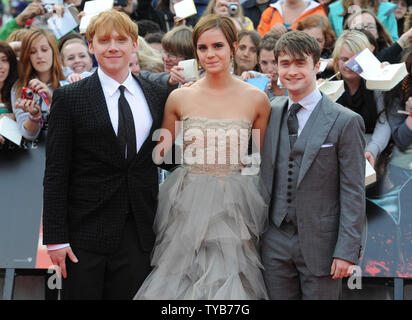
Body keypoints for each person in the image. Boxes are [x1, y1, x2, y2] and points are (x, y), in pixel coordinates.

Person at [134, 14, 271, 299]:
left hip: (234, 204)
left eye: (218, 46)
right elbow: (162, 156)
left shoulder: (257, 99)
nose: (210, 54)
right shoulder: (179, 98)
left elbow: (259, 159)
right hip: (187, 202)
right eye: (203, 48)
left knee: (232, 281)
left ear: (233, 47)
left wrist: (241, 169)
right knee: (181, 281)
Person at [42, 9, 174, 300]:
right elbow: (55, 173)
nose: (112, 46)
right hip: (82, 236)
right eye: (103, 40)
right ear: (91, 46)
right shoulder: (69, 98)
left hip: (139, 234)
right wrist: (55, 239)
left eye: (120, 39)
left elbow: (169, 158)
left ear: (133, 44)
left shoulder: (157, 96)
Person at [260, 30, 365, 299]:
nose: (292, 71)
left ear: (316, 66)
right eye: (285, 64)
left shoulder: (346, 121)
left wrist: (347, 251)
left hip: (324, 245)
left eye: (300, 63)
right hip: (274, 243)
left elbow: (354, 191)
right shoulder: (269, 111)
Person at [332, 30, 391, 167]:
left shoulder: (376, 83)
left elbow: (384, 122)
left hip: (372, 147)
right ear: (336, 60)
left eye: (355, 59)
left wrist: (373, 149)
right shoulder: (330, 86)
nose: (349, 65)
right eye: (344, 59)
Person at [12, 28, 65, 141]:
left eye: (44, 49)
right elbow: (29, 135)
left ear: (53, 51)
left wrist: (51, 100)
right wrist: (34, 115)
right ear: (27, 56)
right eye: (32, 52)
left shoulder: (70, 78)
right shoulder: (20, 87)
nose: (39, 56)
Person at [328, 0, 398, 41]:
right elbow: (330, 42)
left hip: (378, 57)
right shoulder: (335, 9)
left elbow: (392, 41)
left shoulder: (386, 9)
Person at [257, 0, 326, 36]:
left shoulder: (317, 12)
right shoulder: (270, 12)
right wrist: (270, 34)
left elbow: (323, 41)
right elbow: (260, 43)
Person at [0, 41, 19, 145]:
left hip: (14, 156)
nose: (0, 66)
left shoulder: (18, 90)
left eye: (4, 60)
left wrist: (15, 117)